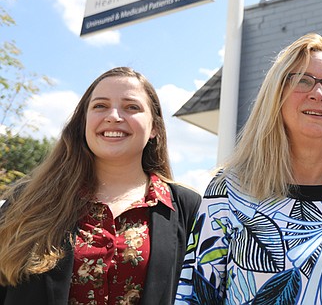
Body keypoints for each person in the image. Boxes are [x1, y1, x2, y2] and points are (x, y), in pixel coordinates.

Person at [175, 33, 322, 304]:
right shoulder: (230, 189)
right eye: (303, 80)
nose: (318, 93)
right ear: (276, 96)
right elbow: (194, 295)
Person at [0, 67, 202, 305]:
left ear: (154, 128)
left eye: (131, 107)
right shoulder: (29, 200)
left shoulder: (188, 208)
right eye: (100, 106)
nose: (114, 116)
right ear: (83, 122)